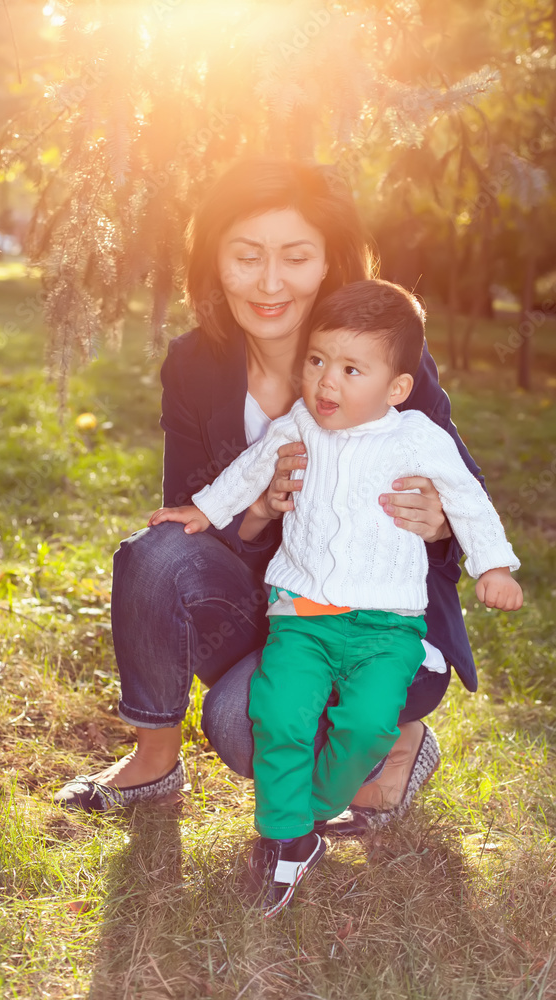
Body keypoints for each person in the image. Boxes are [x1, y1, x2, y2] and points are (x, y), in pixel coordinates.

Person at [54, 158, 486, 830]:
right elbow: (190, 517)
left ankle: (397, 743)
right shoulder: (194, 365)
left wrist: (435, 522)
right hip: (274, 602)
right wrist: (256, 510)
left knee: (238, 724)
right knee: (155, 551)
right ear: (215, 262)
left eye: (295, 257)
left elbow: (461, 500)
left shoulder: (382, 358)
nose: (270, 282)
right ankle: (153, 761)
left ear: (328, 264)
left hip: (368, 614)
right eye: (247, 257)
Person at [147, 279, 522, 916]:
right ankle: (285, 838)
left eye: (352, 369)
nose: (327, 381)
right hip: (302, 616)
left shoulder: (417, 438)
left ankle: (313, 811)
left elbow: (467, 499)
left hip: (386, 627)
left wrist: (495, 565)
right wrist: (204, 512)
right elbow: (250, 470)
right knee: (279, 713)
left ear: (397, 388)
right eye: (317, 361)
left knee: (368, 724)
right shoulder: (299, 422)